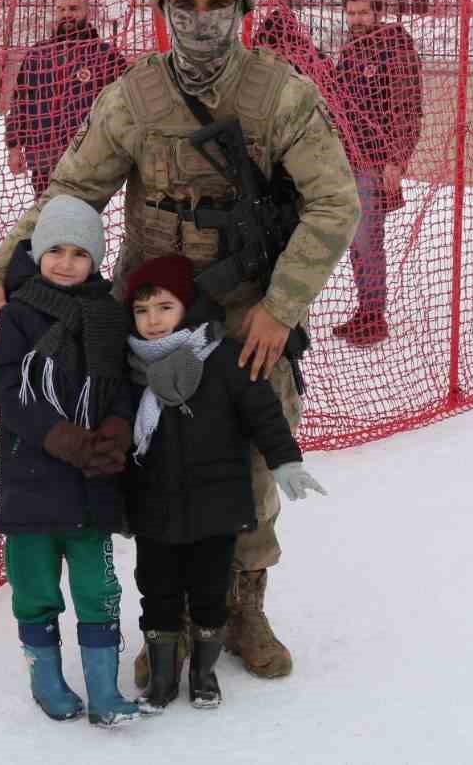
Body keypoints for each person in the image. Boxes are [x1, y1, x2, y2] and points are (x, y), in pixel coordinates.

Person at [0, 0, 359, 683]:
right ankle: (170, 613)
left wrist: (281, 306)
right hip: (151, 317)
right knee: (155, 467)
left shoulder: (280, 95)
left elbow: (334, 202)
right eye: (185, 6)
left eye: (217, 6)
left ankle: (241, 602)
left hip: (246, 319)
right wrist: (3, 266)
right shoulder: (134, 97)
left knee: (247, 464)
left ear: (241, 9)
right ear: (163, 11)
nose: (201, 20)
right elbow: (73, 192)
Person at [123, 254, 324, 713]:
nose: (153, 321)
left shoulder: (222, 359)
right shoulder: (131, 367)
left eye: (165, 307)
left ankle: (204, 674)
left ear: (187, 308)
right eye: (143, 310)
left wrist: (285, 462)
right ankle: (161, 676)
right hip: (156, 511)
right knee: (156, 591)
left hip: (216, 507)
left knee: (210, 592)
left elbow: (263, 413)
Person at [0, 195, 141, 728]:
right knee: (35, 585)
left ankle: (104, 688)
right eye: (56, 250)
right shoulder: (21, 313)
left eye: (79, 252)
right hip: (32, 476)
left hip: (93, 478)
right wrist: (58, 437)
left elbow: (124, 381)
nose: (66, 262)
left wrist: (117, 428)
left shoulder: (110, 314)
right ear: (38, 251)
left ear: (95, 258)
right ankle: (46, 678)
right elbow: (6, 386)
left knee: (99, 586)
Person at [328, 0, 424, 347]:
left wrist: (396, 160)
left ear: (378, 13)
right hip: (347, 159)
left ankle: (373, 318)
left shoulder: (396, 50)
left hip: (376, 161)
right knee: (356, 242)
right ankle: (364, 311)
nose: (356, 20)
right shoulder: (350, 50)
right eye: (351, 14)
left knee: (369, 242)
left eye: (363, 13)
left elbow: (408, 108)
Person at [4, 0, 129, 197]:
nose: (67, 14)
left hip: (88, 158)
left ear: (88, 12)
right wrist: (14, 147)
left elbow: (123, 106)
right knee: (46, 215)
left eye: (73, 8)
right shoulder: (37, 54)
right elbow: (20, 103)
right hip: (44, 157)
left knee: (80, 216)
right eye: (61, 9)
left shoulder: (106, 56)